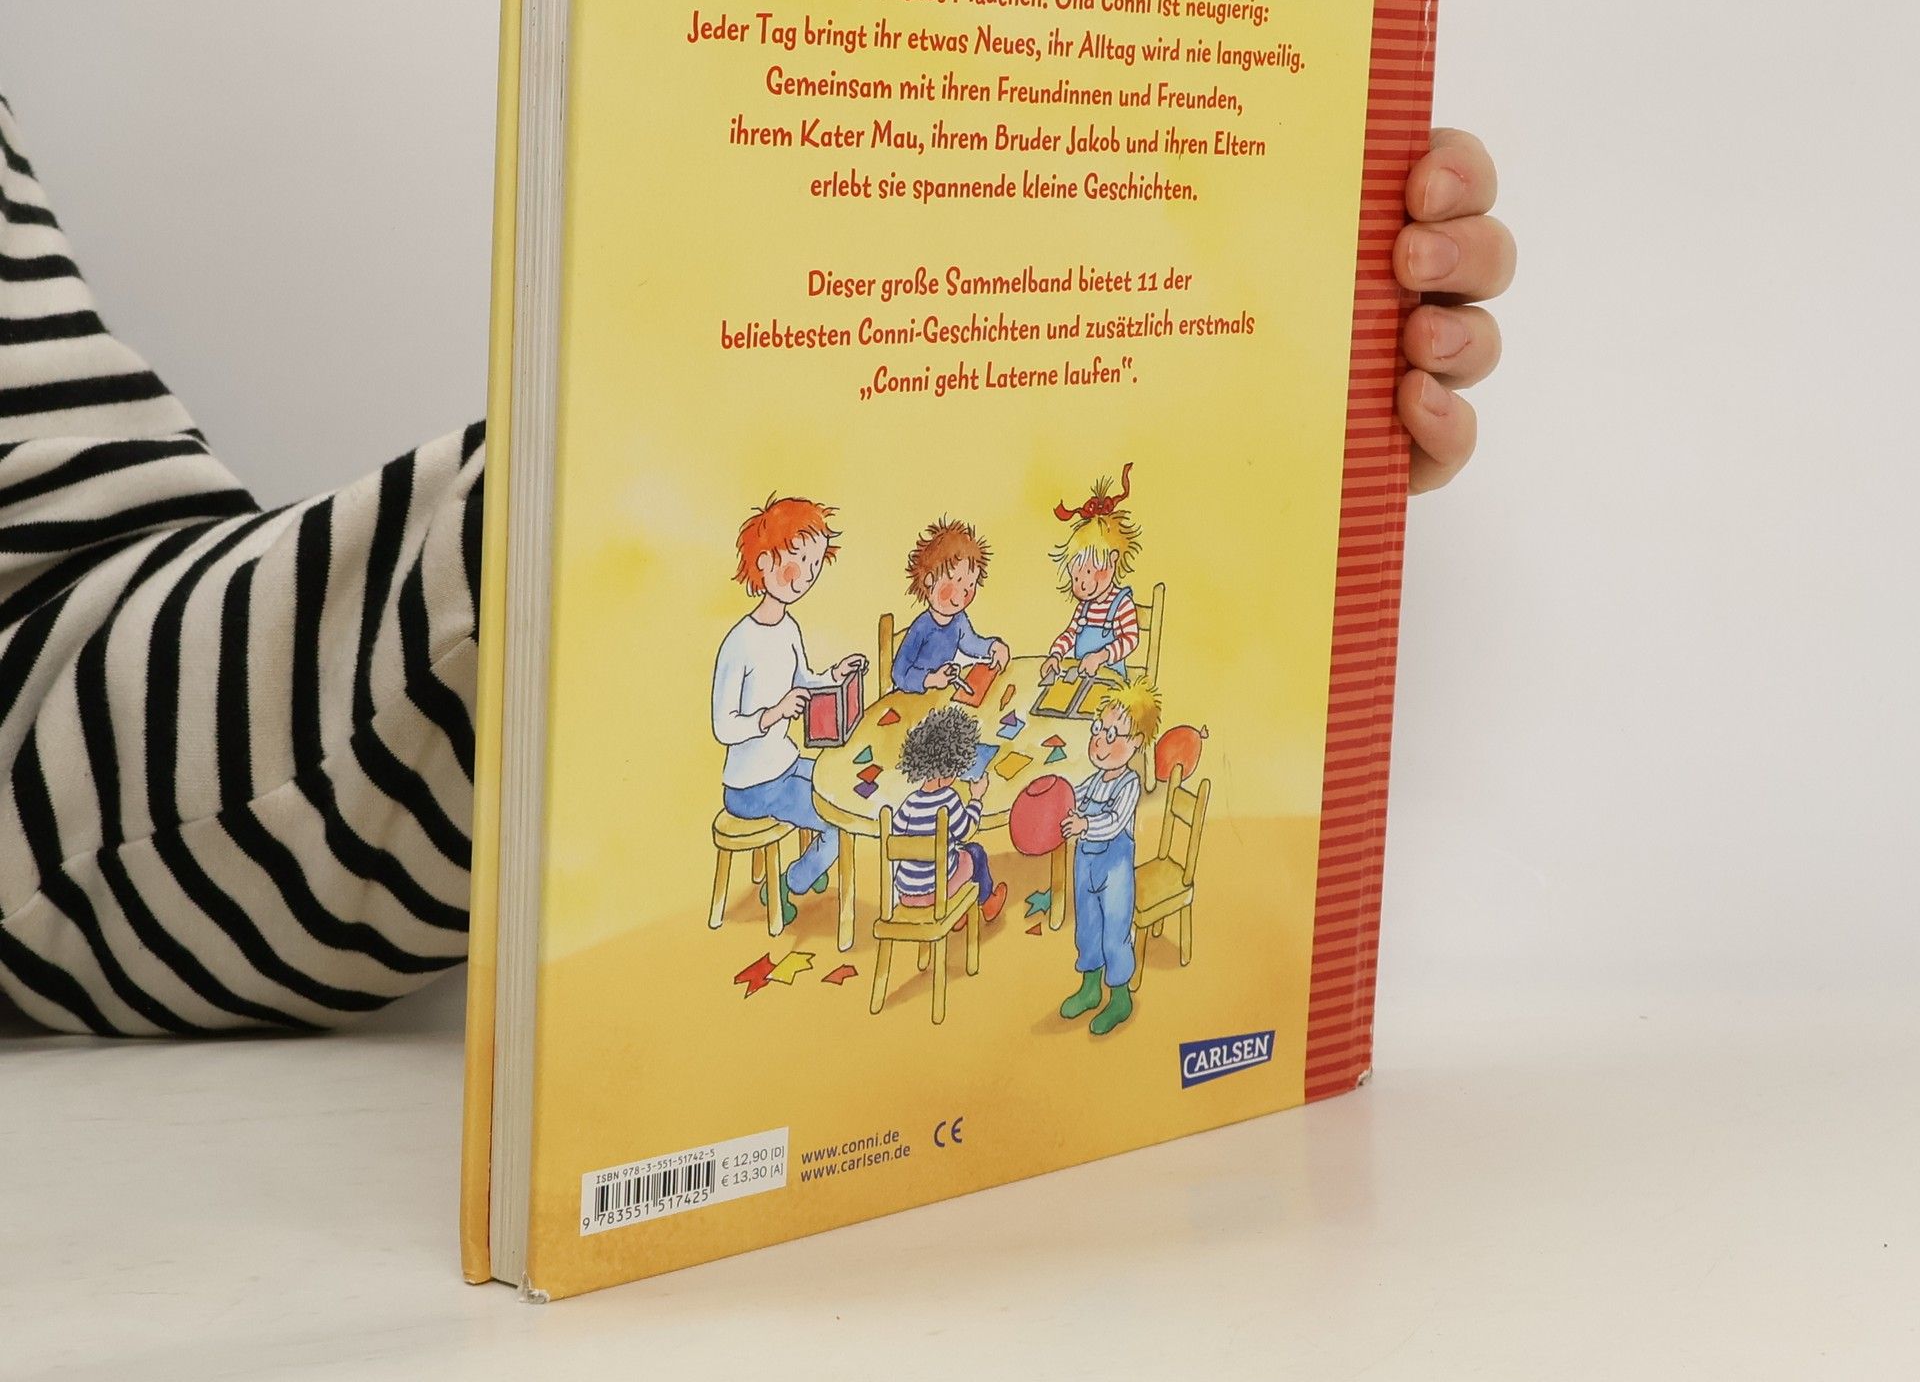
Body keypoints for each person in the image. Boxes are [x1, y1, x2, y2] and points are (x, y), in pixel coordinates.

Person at [0, 94, 1513, 1033]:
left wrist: (1184, 403)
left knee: (977, 812)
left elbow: (67, 664)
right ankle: (857, 916)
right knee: (854, 819)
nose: (946, 592)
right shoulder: (774, 636)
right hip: (780, 768)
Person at [710, 495, 868, 923]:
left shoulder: (788, 628)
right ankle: (791, 881)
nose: (807, 576)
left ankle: (812, 864)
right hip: (752, 786)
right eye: (799, 561)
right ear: (763, 563)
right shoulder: (739, 643)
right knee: (840, 819)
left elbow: (804, 679)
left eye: (814, 565)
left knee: (841, 784)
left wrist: (833, 674)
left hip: (785, 763)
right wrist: (773, 714)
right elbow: (723, 726)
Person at [1058, 677, 1160, 1037]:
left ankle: (1119, 998)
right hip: (1085, 867)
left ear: (1135, 743)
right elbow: (1074, 795)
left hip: (1114, 872)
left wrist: (1084, 824)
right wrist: (1058, 798)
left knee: (1114, 934)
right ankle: (1090, 988)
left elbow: (1115, 821)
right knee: (1088, 928)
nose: (1100, 740)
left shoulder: (1129, 784)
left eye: (1112, 734)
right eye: (1099, 729)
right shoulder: (1094, 780)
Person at [887, 705, 1006, 923]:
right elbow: (966, 831)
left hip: (906, 895)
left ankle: (958, 916)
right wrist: (976, 799)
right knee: (975, 852)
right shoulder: (948, 799)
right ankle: (988, 902)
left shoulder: (910, 803)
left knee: (953, 855)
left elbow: (894, 836)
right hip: (938, 892)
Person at [1039, 468, 1143, 683]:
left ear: (1112, 560)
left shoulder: (1121, 603)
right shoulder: (1084, 607)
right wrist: (1056, 654)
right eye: (1076, 576)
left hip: (1111, 681)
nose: (1081, 585)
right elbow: (1070, 633)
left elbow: (1130, 639)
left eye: (1088, 572)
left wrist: (1102, 656)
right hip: (1083, 679)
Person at [888, 517, 1009, 695]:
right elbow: (899, 674)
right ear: (929, 580)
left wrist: (994, 647)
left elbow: (971, 643)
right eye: (956, 582)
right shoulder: (922, 627)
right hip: (911, 697)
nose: (962, 595)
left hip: (937, 696)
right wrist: (931, 679)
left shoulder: (959, 620)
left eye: (970, 586)